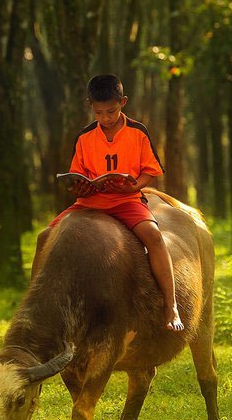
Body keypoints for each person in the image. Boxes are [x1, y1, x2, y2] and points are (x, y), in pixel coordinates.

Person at [35, 74, 183, 331]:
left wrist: (134, 185)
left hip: (126, 199)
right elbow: (76, 176)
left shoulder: (138, 132)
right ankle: (36, 308)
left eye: (111, 111)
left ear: (123, 102)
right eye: (99, 112)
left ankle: (171, 306)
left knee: (154, 235)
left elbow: (151, 170)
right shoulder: (84, 137)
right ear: (90, 105)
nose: (105, 117)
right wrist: (80, 186)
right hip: (90, 201)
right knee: (44, 237)